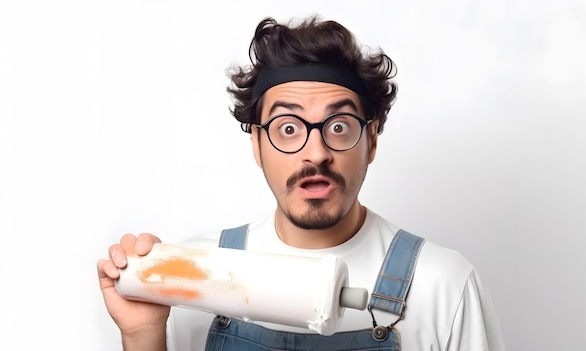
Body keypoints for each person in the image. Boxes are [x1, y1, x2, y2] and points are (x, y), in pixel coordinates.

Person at [97, 15, 506, 351]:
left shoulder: (443, 284)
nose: (315, 153)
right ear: (257, 142)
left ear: (372, 140)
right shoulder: (188, 276)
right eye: (288, 128)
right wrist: (142, 336)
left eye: (339, 125)